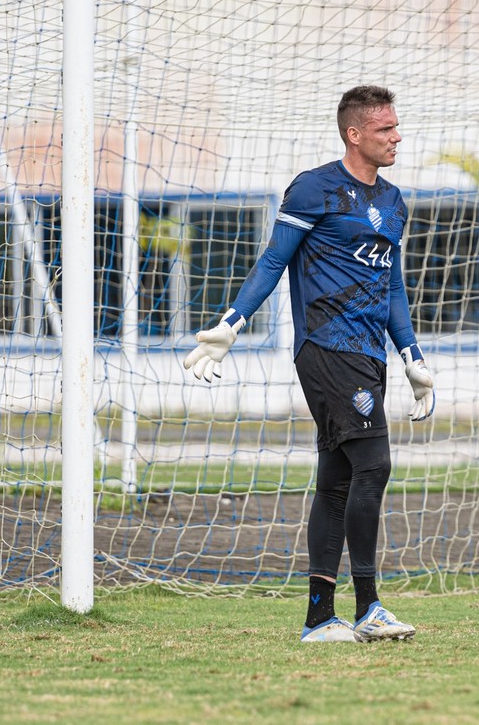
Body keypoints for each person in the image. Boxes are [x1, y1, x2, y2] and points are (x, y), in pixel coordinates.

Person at [183, 85, 435, 643]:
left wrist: (412, 355)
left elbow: (390, 282)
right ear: (355, 133)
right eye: (385, 129)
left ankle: (321, 618)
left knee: (339, 481)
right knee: (375, 465)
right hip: (326, 347)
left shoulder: (393, 202)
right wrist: (231, 324)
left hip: (369, 354)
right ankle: (369, 607)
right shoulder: (314, 188)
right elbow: (275, 258)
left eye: (396, 127)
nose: (397, 137)